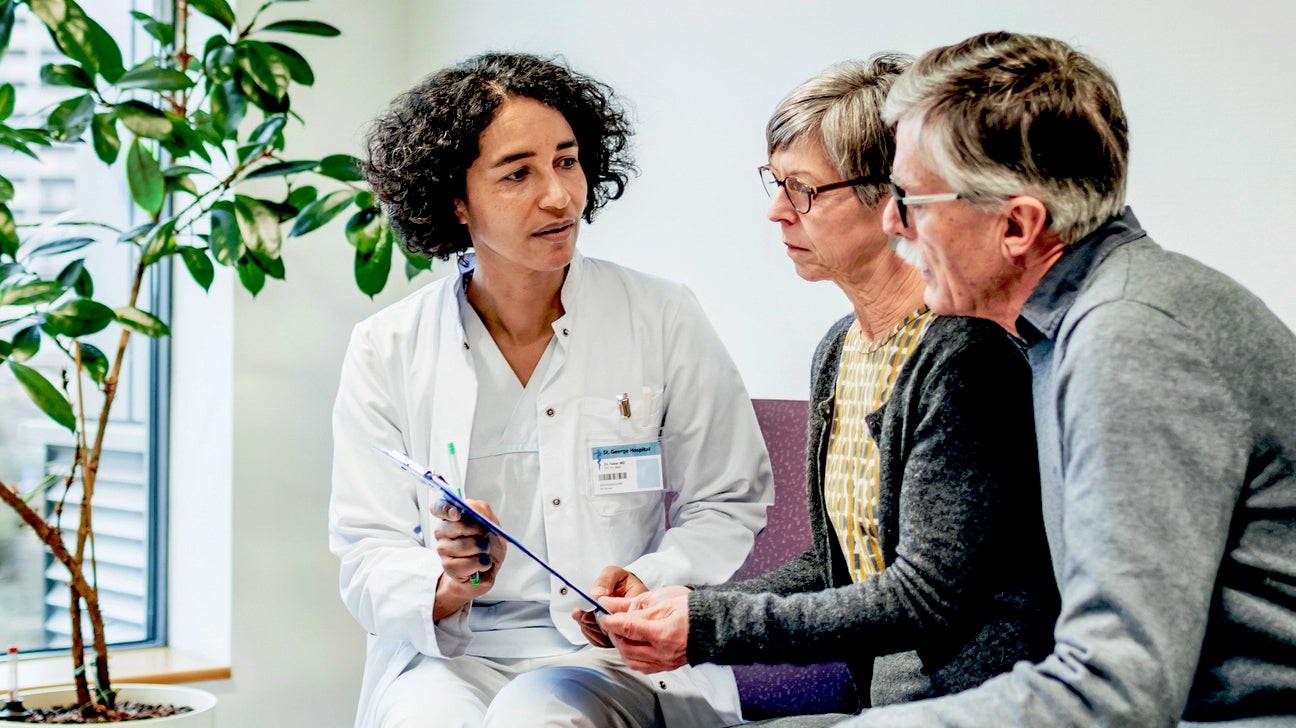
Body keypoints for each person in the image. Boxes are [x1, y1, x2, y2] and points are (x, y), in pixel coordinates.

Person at [832, 31, 1296, 726]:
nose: (893, 224)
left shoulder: (1131, 337)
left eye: (911, 198)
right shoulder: (1076, 322)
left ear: (1018, 226)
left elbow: (1116, 694)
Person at [593, 55, 1058, 725]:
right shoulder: (841, 348)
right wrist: (677, 603)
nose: (778, 212)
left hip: (968, 706)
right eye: (776, 183)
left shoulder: (965, 353)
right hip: (888, 704)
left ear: (892, 195)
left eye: (803, 189)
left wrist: (706, 625)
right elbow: (837, 563)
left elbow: (923, 595)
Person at [328, 52, 773, 728]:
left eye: (568, 161)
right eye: (518, 174)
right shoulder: (387, 347)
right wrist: (447, 584)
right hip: (452, 652)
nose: (559, 196)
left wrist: (648, 582)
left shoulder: (661, 316)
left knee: (536, 718)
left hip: (614, 653)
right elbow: (366, 550)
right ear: (455, 200)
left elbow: (729, 498)